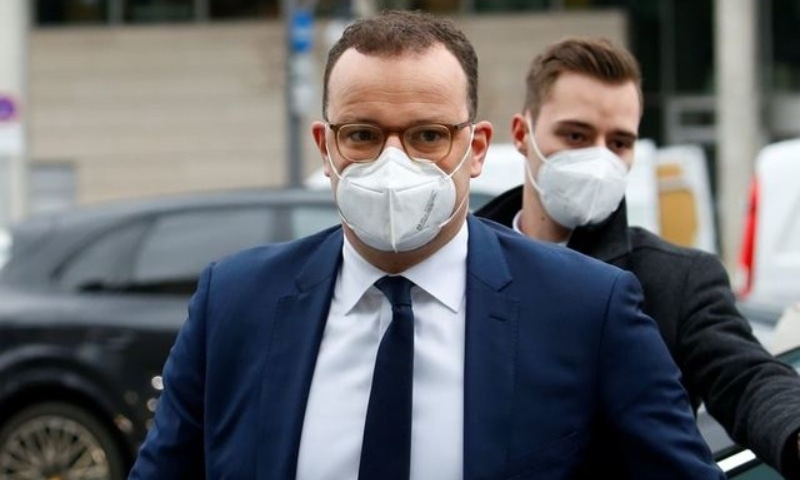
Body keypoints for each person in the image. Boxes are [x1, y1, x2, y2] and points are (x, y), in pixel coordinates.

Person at [128, 12, 724, 479]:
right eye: (361, 134)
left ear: (479, 147)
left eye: (428, 135)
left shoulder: (587, 310)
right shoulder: (234, 302)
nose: (395, 161)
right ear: (325, 145)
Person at [475, 36, 800, 477]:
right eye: (576, 135)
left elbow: (747, 378)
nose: (599, 158)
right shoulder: (464, 264)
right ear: (521, 133)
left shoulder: (675, 280)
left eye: (619, 143)